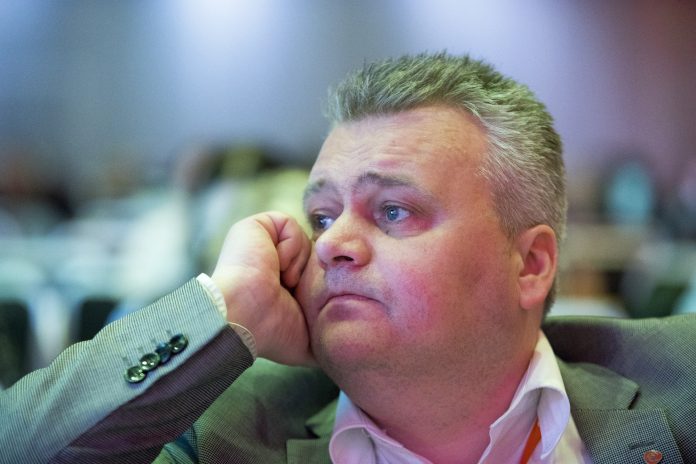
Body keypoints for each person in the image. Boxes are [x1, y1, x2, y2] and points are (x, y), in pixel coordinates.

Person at [1, 52, 695, 464]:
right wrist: (228, 307)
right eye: (323, 216)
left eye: (392, 211)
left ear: (532, 265)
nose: (331, 243)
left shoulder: (678, 388)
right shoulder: (222, 430)